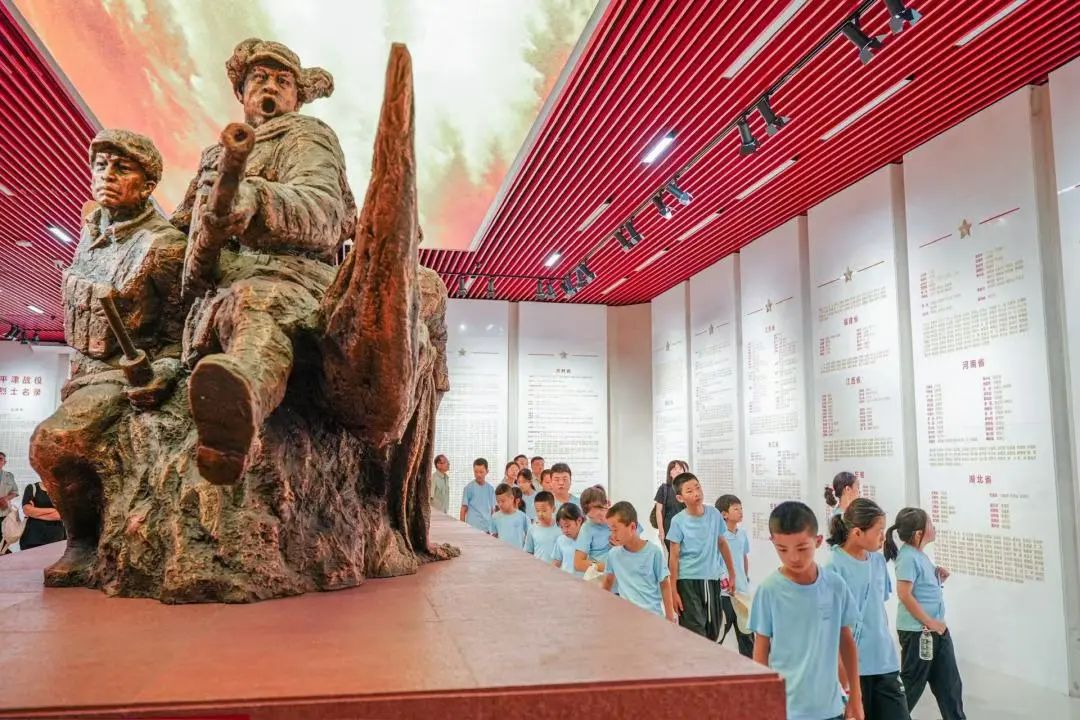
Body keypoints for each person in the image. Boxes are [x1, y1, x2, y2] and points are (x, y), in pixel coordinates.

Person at [171, 38, 356, 484]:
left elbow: (325, 212)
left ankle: (239, 404)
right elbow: (181, 227)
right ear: (241, 91)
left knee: (258, 306)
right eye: (259, 78)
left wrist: (256, 200)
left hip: (291, 280)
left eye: (282, 80)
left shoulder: (307, 136)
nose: (270, 87)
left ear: (297, 95)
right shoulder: (214, 157)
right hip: (214, 293)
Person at [29, 130, 188, 581]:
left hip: (122, 373)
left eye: (123, 168)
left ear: (148, 183)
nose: (107, 175)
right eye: (100, 166)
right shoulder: (91, 230)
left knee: (51, 442)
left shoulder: (164, 246)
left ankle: (81, 543)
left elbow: (185, 329)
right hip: (81, 371)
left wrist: (165, 369)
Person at [750, 501, 863, 720]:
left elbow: (846, 641)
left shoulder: (835, 585)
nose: (793, 557)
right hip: (786, 709)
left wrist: (855, 696)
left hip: (830, 708)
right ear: (773, 542)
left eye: (802, 548)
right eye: (782, 549)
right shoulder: (769, 590)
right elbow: (761, 649)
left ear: (818, 541)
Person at [826, 499, 909, 720]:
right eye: (879, 531)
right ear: (857, 532)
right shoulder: (833, 567)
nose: (883, 537)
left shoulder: (878, 562)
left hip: (885, 661)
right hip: (853, 668)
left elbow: (878, 605)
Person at [885, 508, 965, 720]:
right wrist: (929, 622)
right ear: (918, 533)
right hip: (919, 632)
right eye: (930, 523)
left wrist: (938, 577)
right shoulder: (907, 557)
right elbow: (904, 594)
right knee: (911, 686)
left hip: (936, 630)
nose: (934, 526)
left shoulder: (918, 555)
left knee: (950, 687)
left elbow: (921, 589)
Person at [667, 472, 736, 640]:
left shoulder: (714, 514)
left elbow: (722, 543)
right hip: (687, 581)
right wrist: (673, 591)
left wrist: (732, 574)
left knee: (713, 631)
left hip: (711, 579)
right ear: (680, 498)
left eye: (697, 488)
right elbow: (674, 557)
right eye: (689, 491)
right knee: (694, 632)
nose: (696, 493)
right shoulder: (678, 521)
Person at [603, 501, 675, 621]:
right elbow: (607, 582)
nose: (612, 535)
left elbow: (665, 585)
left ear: (632, 527)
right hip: (627, 619)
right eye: (610, 530)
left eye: (615, 530)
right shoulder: (613, 554)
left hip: (652, 617)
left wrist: (670, 617)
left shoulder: (654, 552)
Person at [716, 494, 754, 657]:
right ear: (724, 514)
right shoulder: (719, 536)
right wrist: (723, 580)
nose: (740, 512)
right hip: (725, 594)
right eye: (736, 509)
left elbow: (743, 557)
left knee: (747, 635)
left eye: (741, 508)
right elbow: (715, 560)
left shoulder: (742, 534)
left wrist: (745, 578)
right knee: (719, 633)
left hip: (742, 592)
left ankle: (750, 668)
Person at [20, 481, 66, 550]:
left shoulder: (62, 491)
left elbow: (59, 515)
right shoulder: (32, 488)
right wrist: (52, 510)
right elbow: (27, 510)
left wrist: (34, 513)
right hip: (32, 537)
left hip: (56, 537)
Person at [653, 459, 688, 550]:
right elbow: (658, 511)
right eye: (675, 469)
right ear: (670, 473)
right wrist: (661, 531)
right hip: (669, 528)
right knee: (672, 554)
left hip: (685, 527)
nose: (678, 471)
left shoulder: (687, 488)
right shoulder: (664, 488)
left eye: (680, 468)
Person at [459, 458, 496, 533]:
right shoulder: (468, 488)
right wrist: (462, 527)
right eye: (476, 472)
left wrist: (494, 529)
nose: (478, 475)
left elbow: (492, 511)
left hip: (486, 528)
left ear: (487, 471)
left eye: (481, 472)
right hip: (471, 528)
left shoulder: (491, 489)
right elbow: (463, 509)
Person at [525, 491, 561, 562]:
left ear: (553, 509)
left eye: (544, 511)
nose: (540, 514)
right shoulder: (532, 529)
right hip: (538, 568)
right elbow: (528, 552)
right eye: (537, 511)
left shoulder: (561, 528)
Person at [491, 483, 528, 550]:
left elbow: (529, 536)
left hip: (518, 554)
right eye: (498, 501)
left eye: (503, 501)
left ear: (512, 498)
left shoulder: (522, 516)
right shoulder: (494, 517)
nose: (500, 504)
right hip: (502, 553)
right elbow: (493, 537)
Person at [551, 503, 585, 576]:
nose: (564, 531)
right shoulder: (560, 540)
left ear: (579, 520)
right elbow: (555, 564)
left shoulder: (589, 539)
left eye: (567, 526)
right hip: (565, 581)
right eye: (561, 527)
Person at [0, 453, 19, 541]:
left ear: (4, 462)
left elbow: (15, 492)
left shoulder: (9, 476)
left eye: (0, 459)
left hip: (5, 513)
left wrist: (5, 499)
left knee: (4, 540)